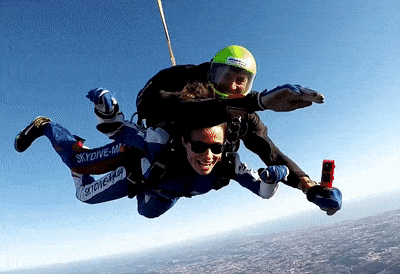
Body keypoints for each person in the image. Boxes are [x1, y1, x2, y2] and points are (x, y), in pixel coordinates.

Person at [90, 45, 342, 215]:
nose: (232, 86)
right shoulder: (187, 89)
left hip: (181, 184)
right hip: (154, 162)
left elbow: (269, 151)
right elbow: (179, 109)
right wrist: (257, 101)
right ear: (211, 74)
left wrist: (308, 186)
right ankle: (98, 155)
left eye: (241, 81)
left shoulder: (244, 117)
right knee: (89, 194)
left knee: (150, 210)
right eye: (226, 76)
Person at [14, 114, 289, 219]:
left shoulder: (228, 164)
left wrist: (272, 179)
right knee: (82, 186)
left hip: (162, 189)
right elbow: (122, 130)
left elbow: (263, 192)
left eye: (216, 148)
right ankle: (46, 126)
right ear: (184, 141)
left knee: (148, 212)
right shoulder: (160, 143)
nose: (208, 155)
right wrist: (108, 114)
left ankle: (82, 159)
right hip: (133, 163)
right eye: (199, 146)